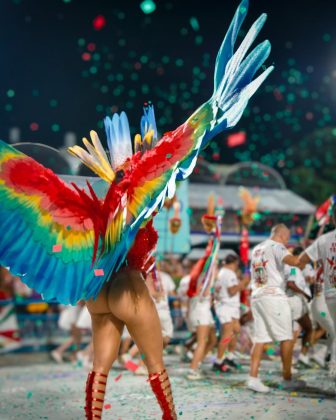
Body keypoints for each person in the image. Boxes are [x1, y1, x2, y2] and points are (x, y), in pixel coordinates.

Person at [0, 1, 273, 417]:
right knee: (156, 365)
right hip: (128, 287)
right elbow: (170, 155)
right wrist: (213, 109)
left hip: (98, 296)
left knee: (100, 369)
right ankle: (170, 416)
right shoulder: (136, 192)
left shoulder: (99, 214)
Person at [246, 224, 306, 393]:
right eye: (288, 236)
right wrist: (305, 255)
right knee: (286, 337)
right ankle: (287, 380)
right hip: (273, 296)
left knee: (260, 338)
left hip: (257, 295)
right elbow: (295, 262)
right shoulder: (277, 246)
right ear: (282, 234)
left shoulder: (257, 248)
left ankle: (253, 378)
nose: (288, 240)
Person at [299, 204, 336, 377]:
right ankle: (318, 358)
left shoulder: (324, 240)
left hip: (327, 297)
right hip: (322, 300)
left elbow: (301, 259)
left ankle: (318, 356)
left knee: (331, 332)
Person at [214, 254, 249, 370]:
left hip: (229, 306)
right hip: (226, 306)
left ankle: (229, 357)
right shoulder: (229, 273)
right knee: (227, 335)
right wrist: (243, 282)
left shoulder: (221, 272)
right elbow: (232, 291)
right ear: (235, 263)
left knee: (236, 330)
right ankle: (218, 361)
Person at [284, 246, 313, 367]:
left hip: (294, 303)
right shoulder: (293, 269)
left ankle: (300, 357)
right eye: (303, 260)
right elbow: (290, 284)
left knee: (301, 331)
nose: (304, 263)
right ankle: (294, 360)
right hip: (295, 303)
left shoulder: (294, 269)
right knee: (304, 331)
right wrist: (305, 294)